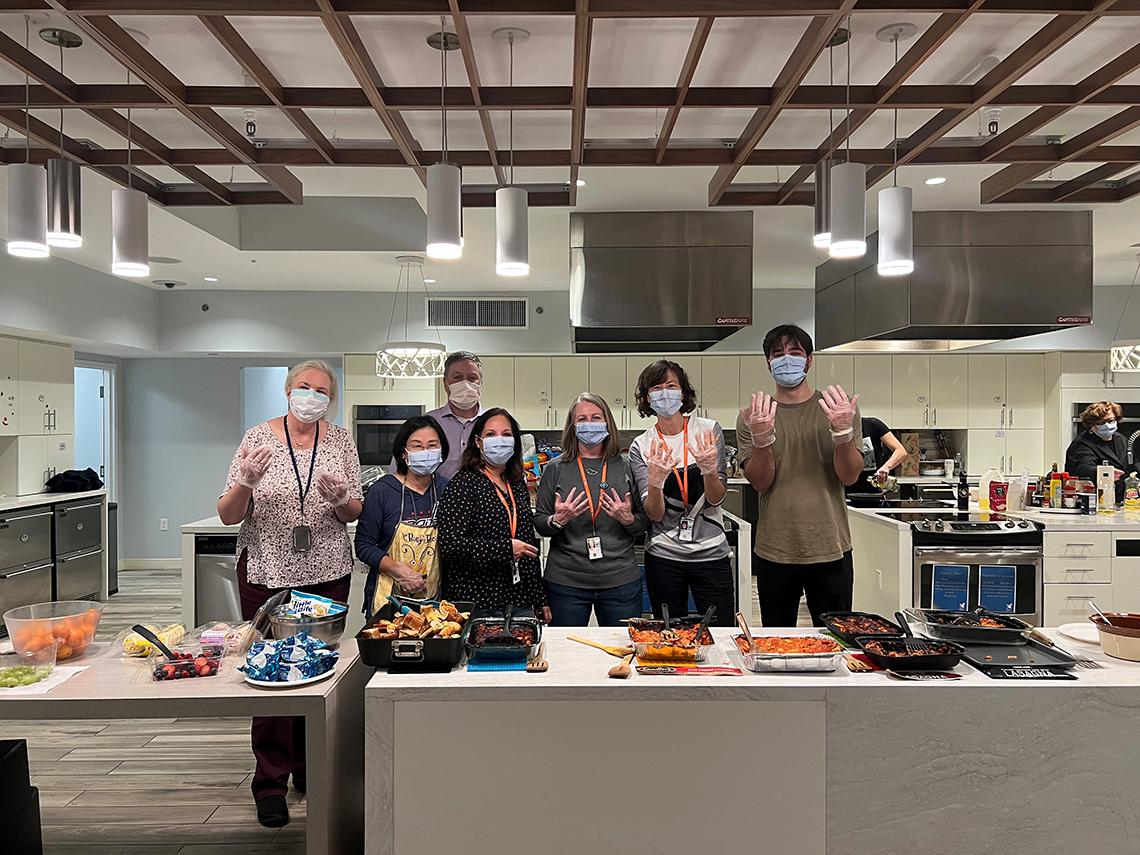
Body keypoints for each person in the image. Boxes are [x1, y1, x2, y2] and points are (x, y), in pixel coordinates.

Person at [216, 359, 362, 829]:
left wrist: (342, 500)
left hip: (326, 572)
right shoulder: (257, 439)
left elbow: (353, 509)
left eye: (322, 391)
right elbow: (227, 513)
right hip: (268, 572)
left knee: (318, 671)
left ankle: (310, 768)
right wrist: (245, 483)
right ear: (287, 390)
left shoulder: (339, 440)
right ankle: (271, 782)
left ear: (331, 399)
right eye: (305, 387)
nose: (313, 396)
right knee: (271, 673)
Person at [737, 324, 863, 628]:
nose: (786, 359)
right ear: (768, 362)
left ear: (809, 360)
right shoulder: (752, 416)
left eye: (795, 352)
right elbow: (760, 482)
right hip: (775, 550)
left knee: (836, 644)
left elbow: (849, 476)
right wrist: (761, 439)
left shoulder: (838, 409)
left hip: (830, 548)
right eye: (778, 354)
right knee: (777, 644)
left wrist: (842, 432)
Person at [628, 360, 734, 627]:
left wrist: (710, 470)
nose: (665, 393)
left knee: (720, 630)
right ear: (647, 398)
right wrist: (655, 483)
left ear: (684, 392)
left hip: (711, 553)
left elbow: (716, 498)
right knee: (668, 631)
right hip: (664, 555)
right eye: (656, 387)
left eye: (671, 386)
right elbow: (655, 513)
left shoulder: (708, 430)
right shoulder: (642, 445)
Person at [534, 393, 649, 625]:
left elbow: (644, 525)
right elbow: (540, 523)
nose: (589, 424)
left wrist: (628, 520)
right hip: (565, 582)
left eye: (596, 418)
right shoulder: (555, 468)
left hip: (620, 582)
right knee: (566, 655)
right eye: (582, 419)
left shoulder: (626, 466)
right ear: (572, 426)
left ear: (607, 422)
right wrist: (558, 520)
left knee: (622, 651)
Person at [437, 407, 550, 620]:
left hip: (519, 599)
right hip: (477, 601)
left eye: (506, 435)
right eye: (491, 434)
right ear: (478, 442)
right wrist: (505, 549)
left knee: (523, 654)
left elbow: (527, 544)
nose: (500, 440)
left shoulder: (516, 483)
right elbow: (450, 545)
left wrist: (539, 598)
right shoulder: (463, 483)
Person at [355, 415, 450, 618]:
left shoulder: (447, 489)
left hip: (436, 602)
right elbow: (364, 545)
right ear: (404, 453)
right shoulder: (382, 491)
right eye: (417, 446)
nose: (425, 451)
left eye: (432, 445)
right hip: (388, 601)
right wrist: (399, 571)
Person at [391, 351, 484, 480]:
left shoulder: (492, 425)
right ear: (445, 383)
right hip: (433, 498)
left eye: (472, 378)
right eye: (457, 377)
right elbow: (397, 472)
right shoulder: (426, 424)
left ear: (481, 382)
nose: (465, 384)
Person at [1065, 401, 1128, 503]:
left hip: (1121, 499)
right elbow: (1083, 469)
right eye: (1100, 423)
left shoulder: (1121, 439)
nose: (1107, 426)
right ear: (1091, 424)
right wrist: (1105, 472)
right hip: (1093, 501)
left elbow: (1133, 462)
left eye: (1111, 420)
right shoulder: (1082, 444)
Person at [849, 416, 908, 494]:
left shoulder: (872, 425)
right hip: (842, 494)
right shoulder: (834, 430)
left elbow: (901, 451)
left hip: (873, 493)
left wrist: (886, 467)